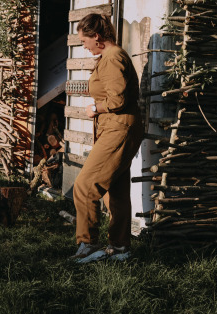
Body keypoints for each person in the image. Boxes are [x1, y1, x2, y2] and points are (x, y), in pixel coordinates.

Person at [71, 14, 144, 259]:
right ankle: (120, 247)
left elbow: (118, 99)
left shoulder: (113, 57)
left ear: (97, 37)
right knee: (116, 189)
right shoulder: (109, 57)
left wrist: (96, 108)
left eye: (84, 41)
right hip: (118, 127)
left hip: (119, 127)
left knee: (85, 185)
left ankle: (89, 245)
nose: (84, 46)